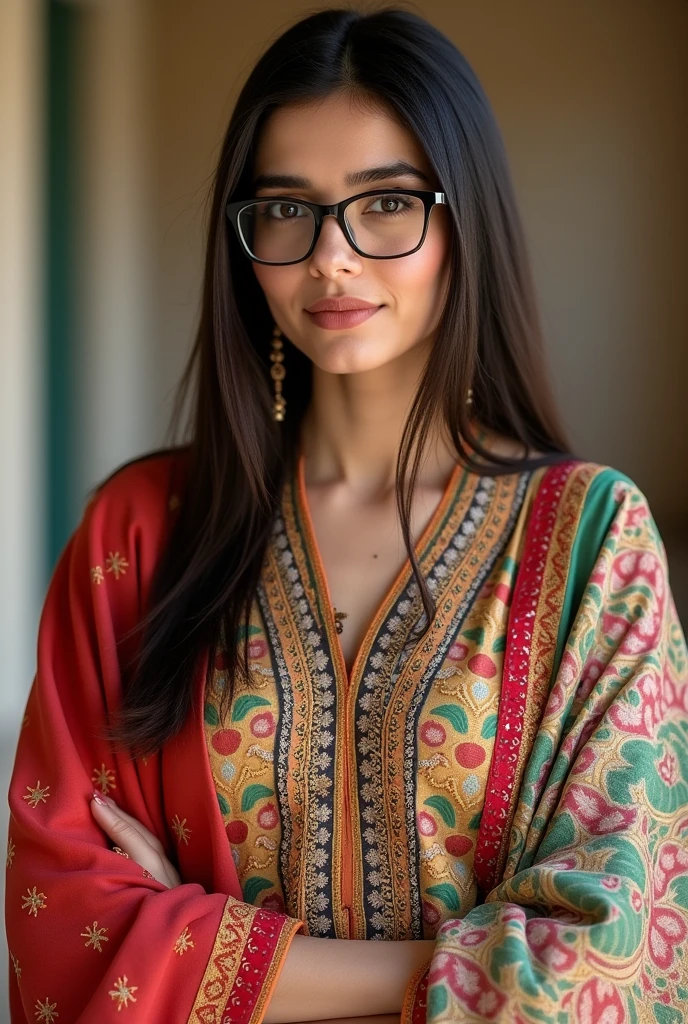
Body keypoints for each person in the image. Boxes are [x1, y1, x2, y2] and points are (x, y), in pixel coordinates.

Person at [6, 7, 687, 1023]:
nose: (330, 257)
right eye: (286, 211)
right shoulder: (140, 535)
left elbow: (617, 959)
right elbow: (65, 926)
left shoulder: (590, 539)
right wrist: (470, 962)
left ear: (468, 221)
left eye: (385, 204)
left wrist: (196, 940)